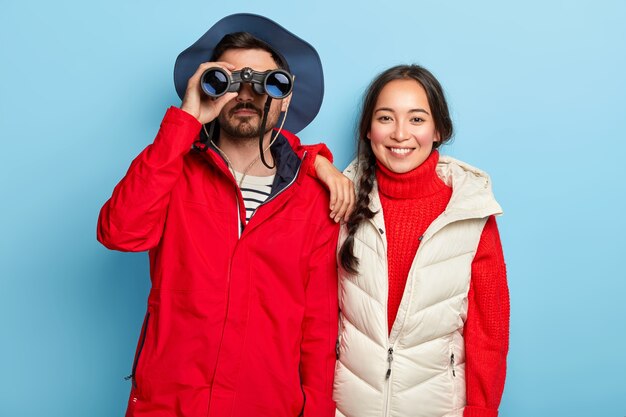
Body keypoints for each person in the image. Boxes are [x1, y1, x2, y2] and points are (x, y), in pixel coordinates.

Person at [97, 13, 348, 417]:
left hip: (266, 404)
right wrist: (186, 118)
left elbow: (318, 328)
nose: (246, 95)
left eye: (266, 82)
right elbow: (119, 232)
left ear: (284, 95)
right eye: (229, 81)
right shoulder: (172, 171)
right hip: (170, 403)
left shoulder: (312, 193)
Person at [315, 65, 510, 417]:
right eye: (386, 118)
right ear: (368, 130)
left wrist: (481, 411)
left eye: (417, 119)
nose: (400, 134)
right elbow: (313, 320)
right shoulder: (340, 199)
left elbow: (489, 332)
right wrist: (315, 161)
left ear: (439, 130)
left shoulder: (469, 210)